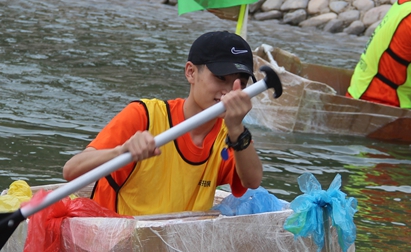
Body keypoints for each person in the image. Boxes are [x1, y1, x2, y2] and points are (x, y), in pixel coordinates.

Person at [62, 31, 263, 217]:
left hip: (168, 246)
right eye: (220, 78)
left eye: (241, 84)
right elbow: (71, 170)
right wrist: (121, 152)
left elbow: (252, 181)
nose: (229, 91)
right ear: (191, 72)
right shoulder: (144, 115)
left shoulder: (233, 136)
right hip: (110, 243)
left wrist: (237, 129)